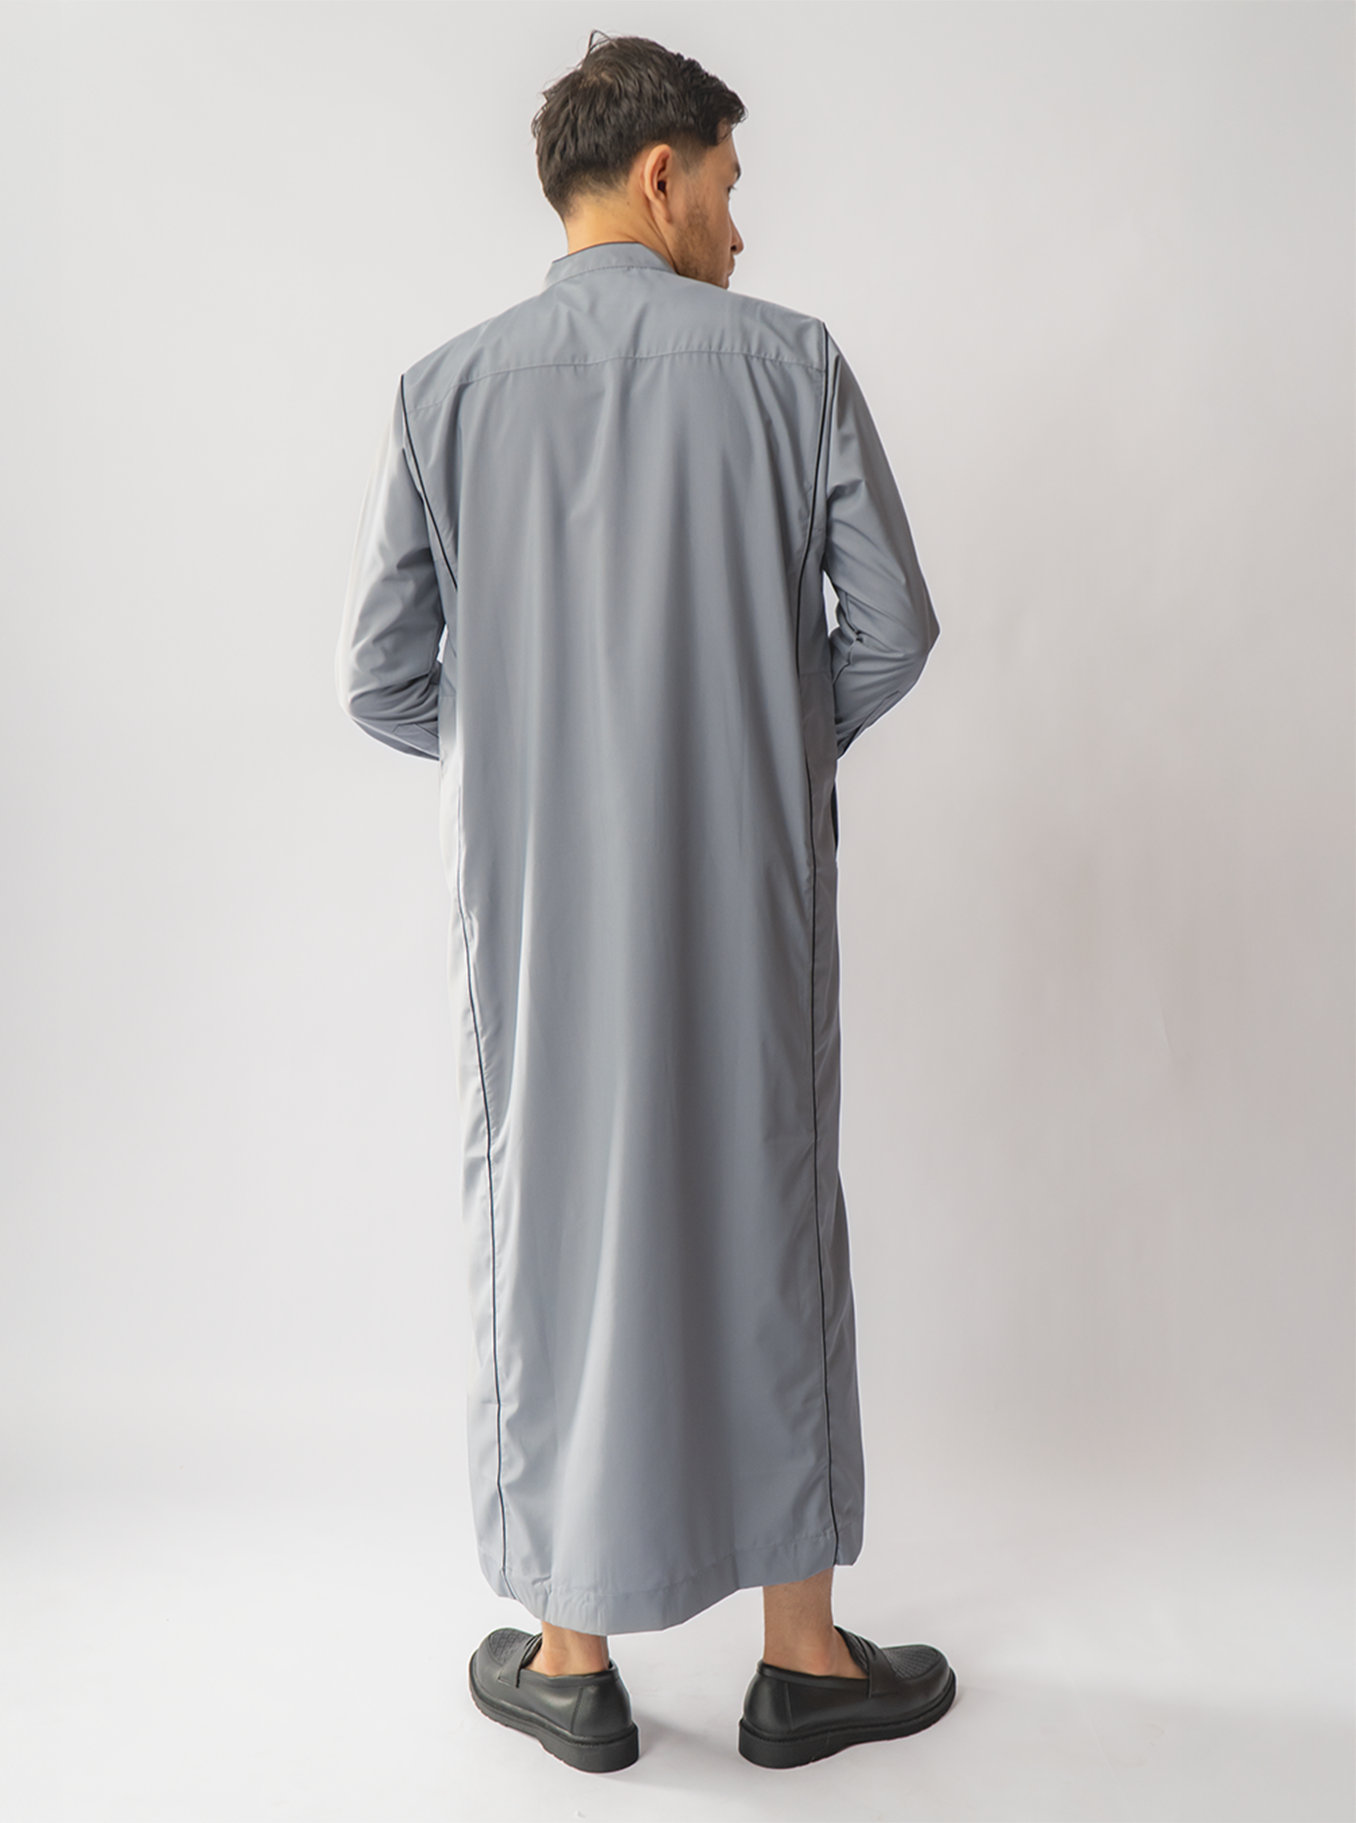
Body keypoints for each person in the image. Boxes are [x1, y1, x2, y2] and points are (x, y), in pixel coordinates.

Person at [335, 31, 952, 1774]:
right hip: (748, 891)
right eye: (730, 190)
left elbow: (381, 679)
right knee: (770, 1205)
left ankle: (570, 1658)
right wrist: (763, 745)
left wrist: (526, 763)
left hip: (535, 913)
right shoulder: (791, 365)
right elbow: (892, 629)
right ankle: (803, 1659)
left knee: (548, 1215)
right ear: (662, 171)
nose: (741, 233)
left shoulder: (444, 391)